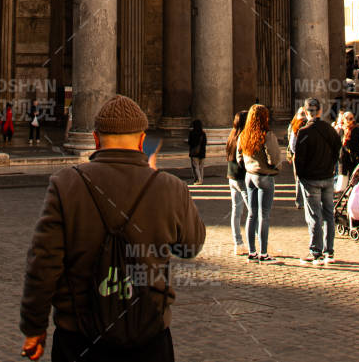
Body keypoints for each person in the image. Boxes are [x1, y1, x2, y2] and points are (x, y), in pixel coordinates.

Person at [19, 95, 205, 362]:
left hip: (78, 338)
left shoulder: (65, 185)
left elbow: (42, 265)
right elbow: (191, 245)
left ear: (95, 139)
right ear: (142, 141)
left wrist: (34, 328)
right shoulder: (170, 187)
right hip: (148, 336)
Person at [292, 97, 341, 265]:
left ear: (306, 112)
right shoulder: (329, 129)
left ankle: (316, 252)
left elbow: (299, 159)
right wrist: (329, 167)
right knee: (329, 215)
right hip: (327, 178)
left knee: (314, 216)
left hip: (311, 179)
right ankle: (329, 252)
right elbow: (337, 150)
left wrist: (302, 176)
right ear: (320, 111)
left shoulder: (304, 132)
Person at [238, 103, 284, 262]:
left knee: (251, 214)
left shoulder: (244, 134)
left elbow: (239, 157)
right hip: (264, 176)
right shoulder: (267, 134)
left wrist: (248, 165)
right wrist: (275, 166)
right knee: (264, 215)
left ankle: (252, 252)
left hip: (249, 176)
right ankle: (263, 253)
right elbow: (274, 157)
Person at [225, 110, 249, 257]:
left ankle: (238, 243)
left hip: (231, 176)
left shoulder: (231, 135)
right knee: (253, 212)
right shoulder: (243, 137)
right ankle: (257, 244)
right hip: (242, 177)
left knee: (236, 211)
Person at [186, 120, 207, 186]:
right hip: (202, 152)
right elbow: (205, 143)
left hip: (194, 152)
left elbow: (190, 142)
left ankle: (198, 179)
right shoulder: (203, 133)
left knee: (196, 167)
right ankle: (201, 179)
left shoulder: (192, 133)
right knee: (201, 167)